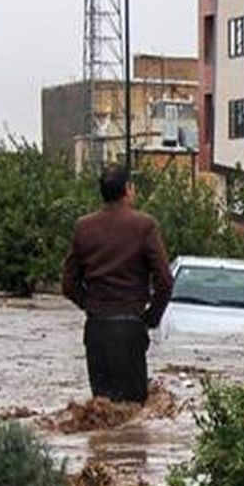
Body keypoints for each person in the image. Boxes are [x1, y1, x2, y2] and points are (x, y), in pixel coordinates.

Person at [62, 165, 173, 403]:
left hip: (96, 330)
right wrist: (150, 318)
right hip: (130, 328)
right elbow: (164, 280)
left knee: (101, 409)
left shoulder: (83, 227)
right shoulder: (145, 226)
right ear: (128, 190)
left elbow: (68, 284)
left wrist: (91, 304)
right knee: (132, 415)